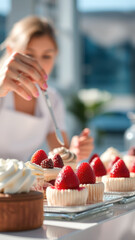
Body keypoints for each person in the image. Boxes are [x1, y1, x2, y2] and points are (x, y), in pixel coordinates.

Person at [0, 16, 94, 162]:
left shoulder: (53, 100)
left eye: (47, 56)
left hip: (26, 182)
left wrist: (75, 152)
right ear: (11, 51)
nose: (37, 64)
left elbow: (61, 156)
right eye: (29, 55)